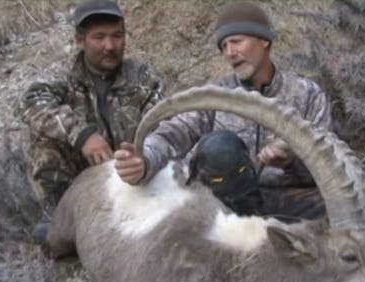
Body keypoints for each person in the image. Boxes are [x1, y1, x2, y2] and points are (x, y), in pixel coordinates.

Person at [114, 1, 333, 220]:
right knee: (221, 147)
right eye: (224, 46)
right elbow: (172, 133)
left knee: (361, 193)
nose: (230, 52)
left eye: (236, 42)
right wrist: (144, 160)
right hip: (226, 204)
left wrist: (290, 162)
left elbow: (328, 167)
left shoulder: (308, 95)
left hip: (285, 198)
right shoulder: (216, 96)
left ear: (264, 40)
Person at [17, 0, 164, 240]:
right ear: (79, 40)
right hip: (79, 179)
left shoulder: (143, 77)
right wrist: (82, 136)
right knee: (45, 132)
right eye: (99, 37)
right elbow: (31, 103)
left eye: (117, 36)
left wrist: (143, 158)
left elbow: (163, 120)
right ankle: (59, 212)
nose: (110, 46)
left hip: (131, 174)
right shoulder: (61, 75)